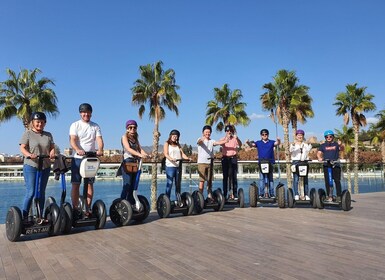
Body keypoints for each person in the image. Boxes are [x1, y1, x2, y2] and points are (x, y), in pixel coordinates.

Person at [19, 112, 56, 222]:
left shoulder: (48, 134)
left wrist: (52, 153)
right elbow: (22, 148)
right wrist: (29, 155)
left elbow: (52, 147)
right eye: (37, 122)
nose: (40, 124)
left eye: (42, 122)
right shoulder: (28, 134)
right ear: (33, 122)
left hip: (45, 165)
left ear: (45, 123)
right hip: (31, 165)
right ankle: (24, 216)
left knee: (41, 192)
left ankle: (40, 216)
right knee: (31, 192)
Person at [69, 103, 104, 217]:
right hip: (78, 159)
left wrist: (100, 149)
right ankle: (75, 208)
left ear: (91, 113)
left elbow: (99, 139)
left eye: (88, 112)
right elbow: (73, 140)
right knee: (76, 184)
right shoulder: (75, 125)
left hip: (91, 159)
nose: (86, 114)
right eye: (84, 112)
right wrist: (78, 149)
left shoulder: (95, 126)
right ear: (80, 113)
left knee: (89, 184)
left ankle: (87, 209)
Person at [120, 120, 149, 206]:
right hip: (127, 163)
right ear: (127, 129)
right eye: (130, 127)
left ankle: (130, 204)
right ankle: (121, 203)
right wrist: (139, 154)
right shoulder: (124, 137)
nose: (132, 129)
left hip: (135, 163)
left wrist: (147, 155)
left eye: (134, 127)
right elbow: (128, 149)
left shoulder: (135, 138)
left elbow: (140, 149)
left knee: (133, 186)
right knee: (127, 185)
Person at [246, 129, 281, 198]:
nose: (264, 136)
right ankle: (261, 194)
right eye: (263, 134)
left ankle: (271, 194)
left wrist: (279, 140)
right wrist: (248, 142)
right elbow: (252, 145)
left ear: (268, 135)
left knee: (270, 178)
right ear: (261, 135)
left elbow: (277, 143)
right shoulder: (258, 142)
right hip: (261, 163)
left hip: (270, 162)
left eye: (266, 134)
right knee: (262, 179)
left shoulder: (271, 142)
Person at [197, 125, 226, 200]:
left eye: (209, 132)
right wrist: (203, 138)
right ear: (203, 132)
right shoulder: (200, 139)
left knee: (209, 181)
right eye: (206, 132)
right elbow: (199, 142)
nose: (208, 133)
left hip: (210, 163)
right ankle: (200, 196)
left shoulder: (211, 141)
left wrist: (226, 140)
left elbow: (217, 143)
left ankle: (209, 196)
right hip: (202, 163)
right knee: (202, 180)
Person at [317, 130, 344, 202]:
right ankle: (329, 196)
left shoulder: (336, 144)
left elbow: (342, 149)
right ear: (325, 137)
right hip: (326, 165)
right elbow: (319, 152)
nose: (328, 138)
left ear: (333, 137)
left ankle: (339, 196)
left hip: (335, 164)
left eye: (330, 136)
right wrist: (319, 157)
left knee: (337, 181)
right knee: (327, 181)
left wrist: (340, 145)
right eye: (327, 137)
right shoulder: (323, 145)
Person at [163, 129, 191, 200]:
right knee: (170, 183)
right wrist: (171, 159)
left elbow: (182, 154)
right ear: (170, 136)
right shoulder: (167, 143)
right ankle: (167, 200)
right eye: (173, 136)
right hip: (170, 167)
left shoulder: (178, 145)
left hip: (178, 167)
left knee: (178, 184)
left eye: (176, 136)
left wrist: (188, 158)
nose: (175, 137)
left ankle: (178, 199)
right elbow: (166, 154)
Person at [219, 124, 242, 200]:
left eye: (230, 131)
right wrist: (226, 139)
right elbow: (220, 144)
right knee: (225, 177)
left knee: (234, 176)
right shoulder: (223, 138)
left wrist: (237, 138)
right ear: (225, 131)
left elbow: (240, 144)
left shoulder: (235, 139)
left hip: (233, 158)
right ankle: (225, 193)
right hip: (225, 159)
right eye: (227, 131)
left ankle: (235, 194)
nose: (229, 132)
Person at [290, 129, 312, 201]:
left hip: (304, 162)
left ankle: (306, 194)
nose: (300, 136)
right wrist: (293, 146)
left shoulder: (306, 145)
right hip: (296, 162)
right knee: (296, 179)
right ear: (296, 136)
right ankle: (296, 194)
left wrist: (309, 145)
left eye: (301, 135)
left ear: (303, 136)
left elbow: (308, 151)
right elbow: (290, 151)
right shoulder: (293, 145)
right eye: (298, 135)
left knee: (305, 179)